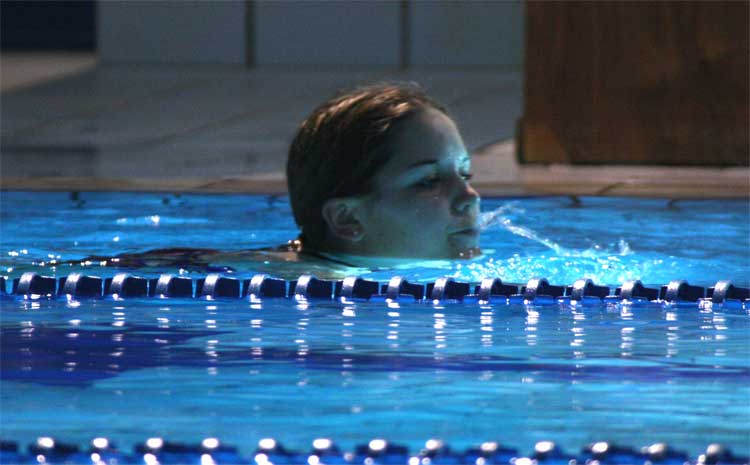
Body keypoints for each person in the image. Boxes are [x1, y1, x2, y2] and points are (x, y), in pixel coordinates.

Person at [85, 83, 481, 275]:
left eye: (464, 173)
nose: (469, 197)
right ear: (348, 219)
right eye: (428, 181)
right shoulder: (307, 286)